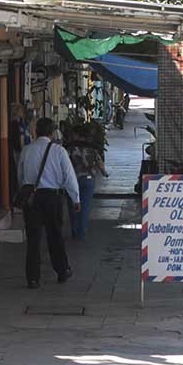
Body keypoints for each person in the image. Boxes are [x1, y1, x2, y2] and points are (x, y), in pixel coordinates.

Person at [17, 117, 80, 289]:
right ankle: (62, 271)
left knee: (33, 239)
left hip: (32, 198)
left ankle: (33, 278)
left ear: (36, 131)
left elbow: (21, 176)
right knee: (55, 235)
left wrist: (24, 194)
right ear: (52, 133)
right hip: (52, 198)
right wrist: (75, 199)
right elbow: (69, 177)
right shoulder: (59, 151)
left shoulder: (27, 150)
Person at [67, 139, 108, 241]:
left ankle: (75, 231)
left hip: (73, 180)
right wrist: (104, 173)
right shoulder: (92, 149)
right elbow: (100, 163)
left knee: (73, 205)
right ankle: (81, 232)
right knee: (85, 207)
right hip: (88, 179)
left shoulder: (70, 149)